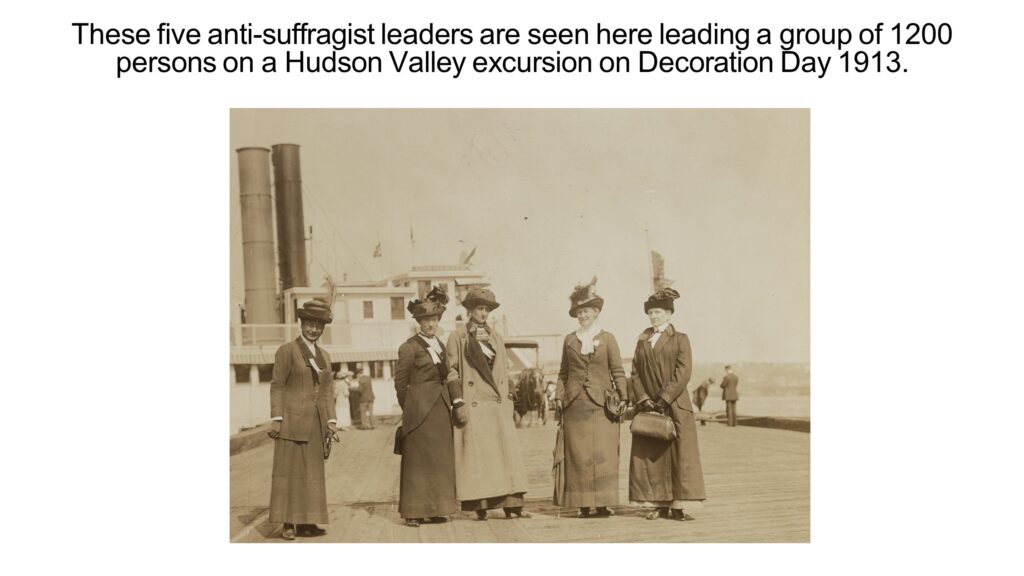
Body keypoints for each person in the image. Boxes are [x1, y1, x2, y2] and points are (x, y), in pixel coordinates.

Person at [445, 287, 530, 520]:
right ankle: (480, 507)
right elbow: (451, 372)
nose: (483, 314)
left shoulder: (496, 337)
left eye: (486, 309)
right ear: (470, 310)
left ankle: (513, 506)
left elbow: (505, 370)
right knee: (480, 460)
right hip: (475, 406)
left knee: (505, 458)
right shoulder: (458, 337)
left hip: (497, 407)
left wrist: (510, 398)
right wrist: (458, 401)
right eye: (479, 309)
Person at [629, 288, 706, 521]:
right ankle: (657, 504)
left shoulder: (680, 339)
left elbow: (683, 373)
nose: (654, 316)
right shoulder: (642, 340)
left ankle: (679, 506)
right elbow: (634, 373)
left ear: (669, 314)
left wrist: (663, 399)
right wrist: (644, 400)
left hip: (674, 405)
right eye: (651, 312)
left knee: (680, 457)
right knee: (653, 458)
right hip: (649, 407)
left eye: (659, 312)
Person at [554, 277, 626, 518]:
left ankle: (603, 504)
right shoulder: (569, 340)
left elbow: (617, 371)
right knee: (579, 457)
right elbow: (563, 373)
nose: (583, 315)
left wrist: (623, 398)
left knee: (603, 456)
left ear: (596, 312)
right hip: (575, 405)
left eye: (587, 311)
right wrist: (559, 397)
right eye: (579, 312)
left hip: (603, 406)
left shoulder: (608, 338)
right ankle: (583, 505)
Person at [394, 287, 465, 527]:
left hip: (440, 410)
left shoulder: (440, 346)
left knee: (438, 460)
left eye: (433, 319)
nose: (430, 324)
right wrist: (411, 406)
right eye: (425, 320)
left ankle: (437, 508)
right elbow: (400, 383)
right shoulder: (409, 347)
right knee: (417, 462)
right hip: (419, 413)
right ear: (419, 323)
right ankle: (413, 512)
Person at [269, 297, 338, 540]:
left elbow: (328, 390)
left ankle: (308, 521)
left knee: (312, 474)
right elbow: (277, 386)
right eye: (309, 324)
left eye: (318, 326)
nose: (313, 329)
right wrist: (277, 417)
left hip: (316, 424)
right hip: (291, 421)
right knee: (290, 473)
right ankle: (288, 523)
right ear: (301, 324)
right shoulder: (287, 351)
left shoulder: (325, 356)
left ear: (323, 328)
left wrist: (331, 421)